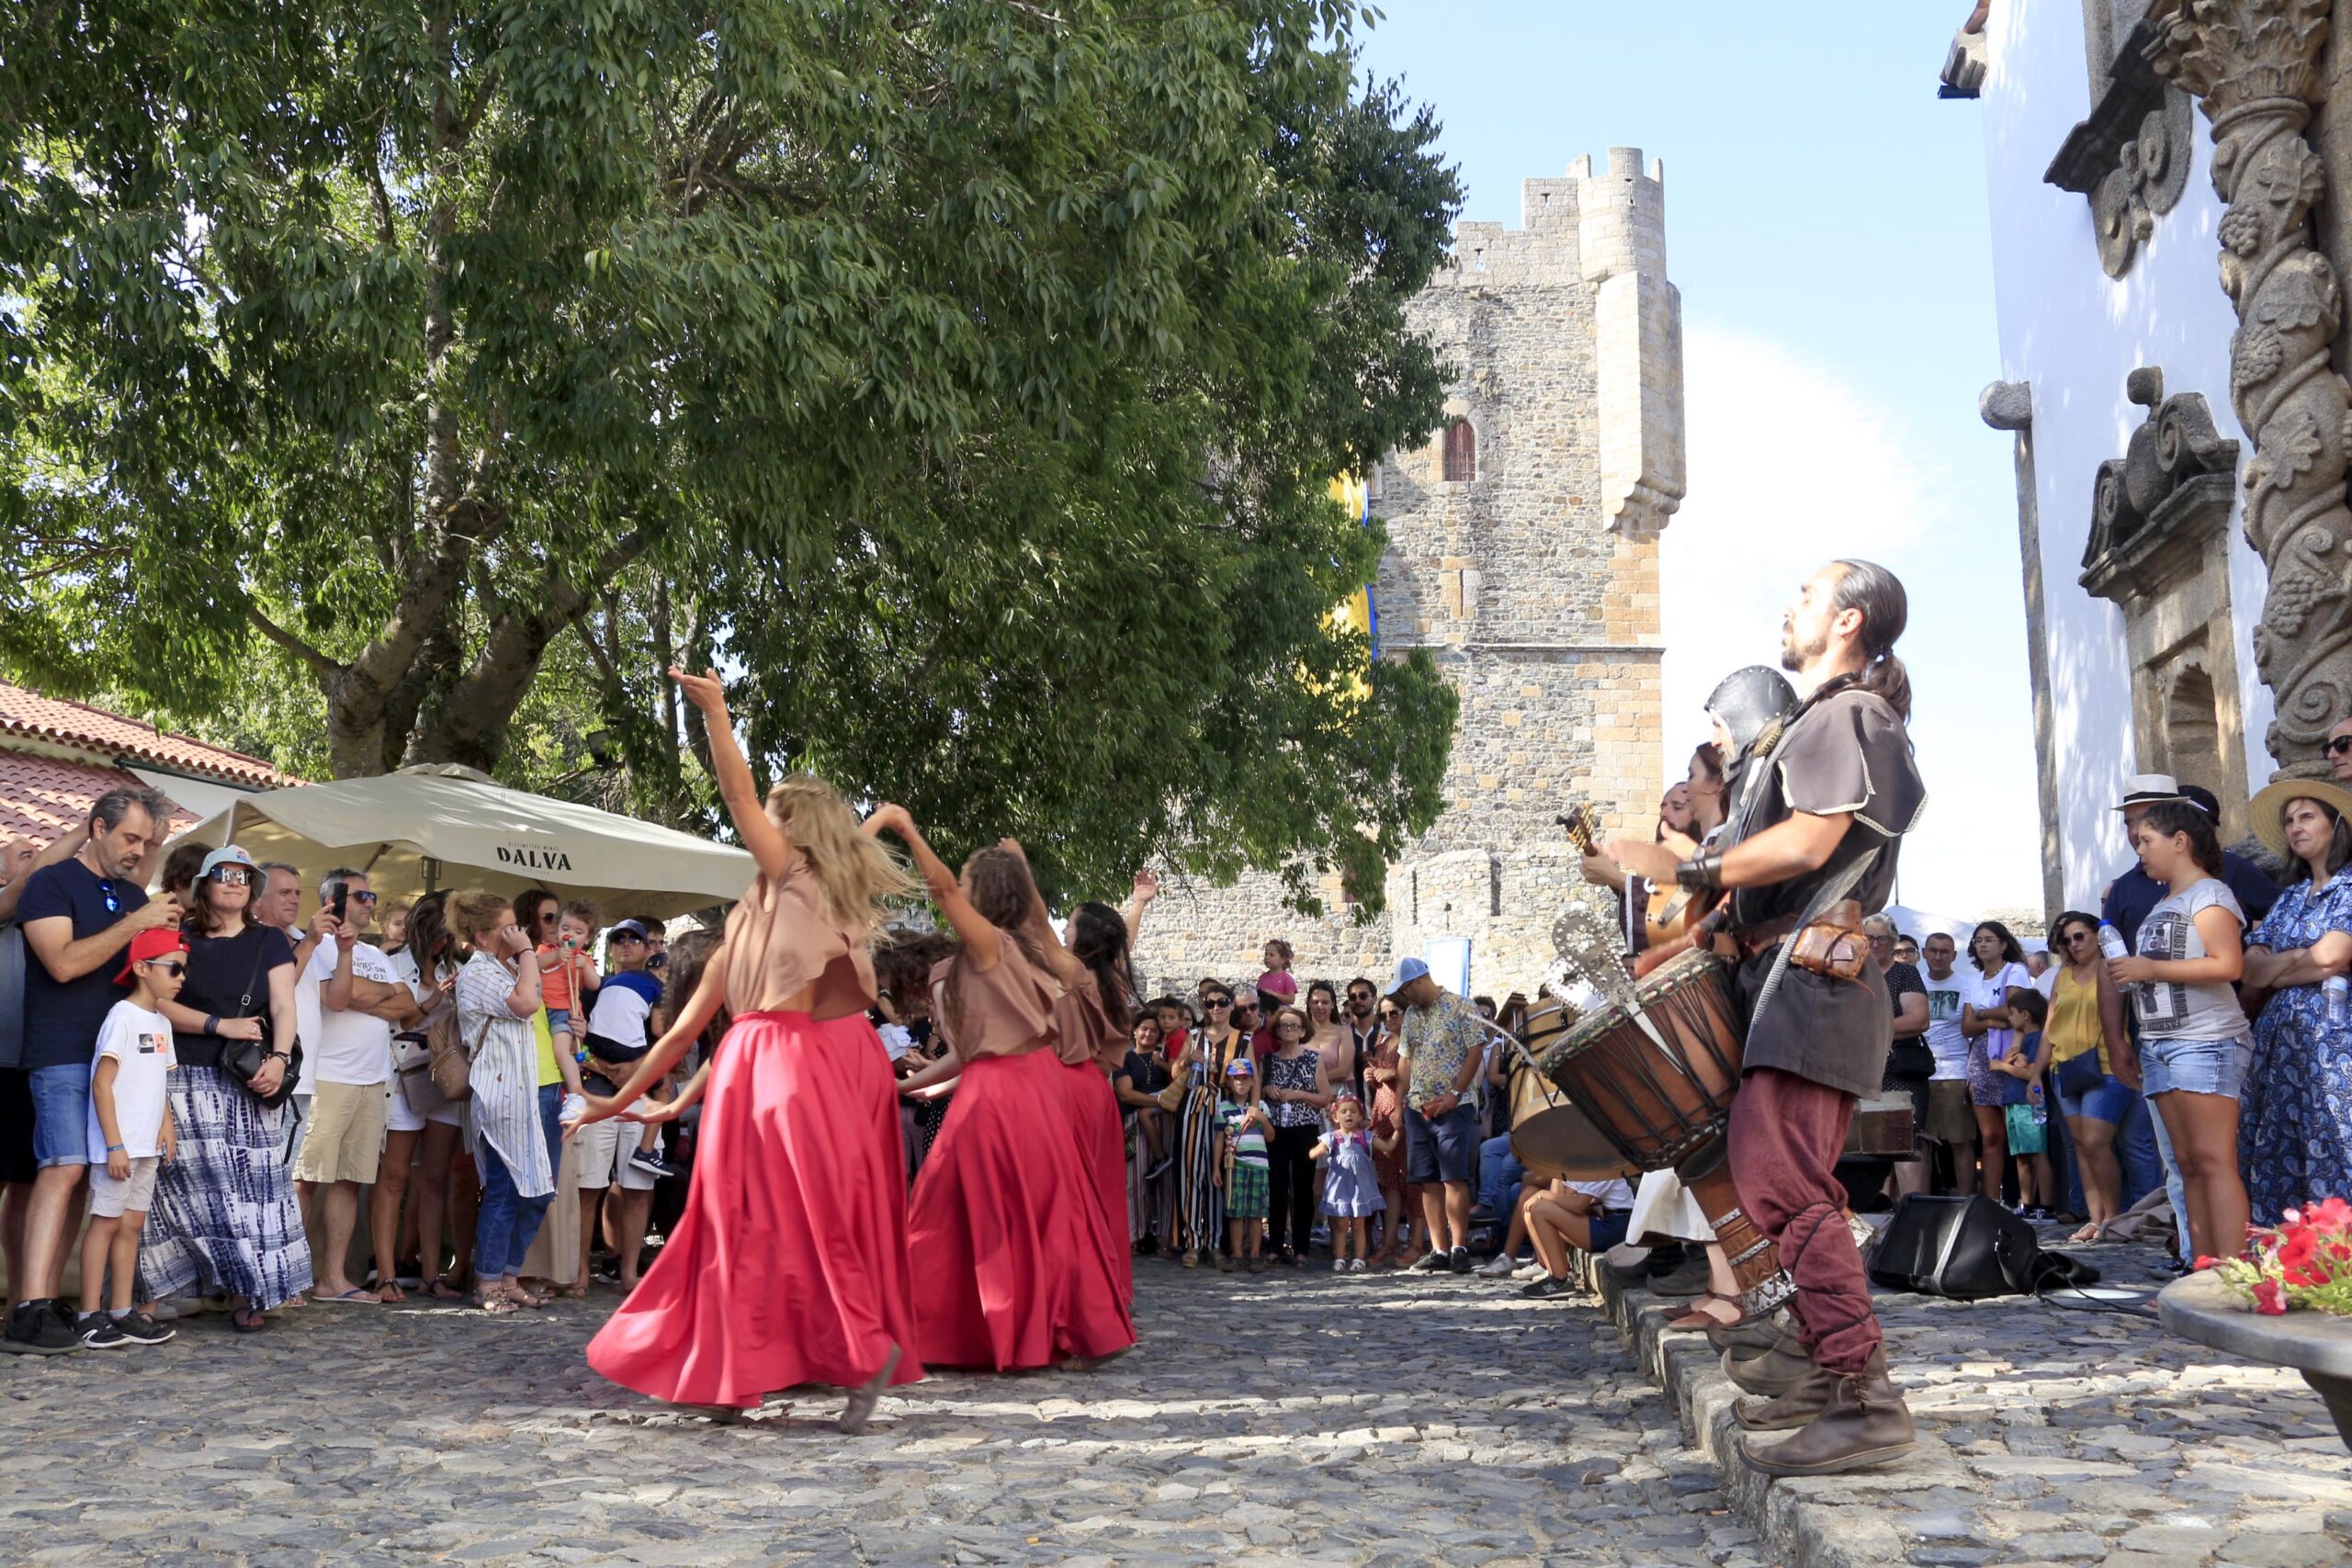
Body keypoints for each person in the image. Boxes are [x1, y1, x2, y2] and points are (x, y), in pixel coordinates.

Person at [1606, 559, 1925, 1475]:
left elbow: (1813, 840)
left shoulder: (1849, 717)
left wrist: (1685, 872)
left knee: (1784, 1186)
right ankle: (1821, 1378)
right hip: (1783, 979)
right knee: (1771, 1182)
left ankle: (1863, 1398)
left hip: (1816, 985)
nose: (1788, 606)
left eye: (1807, 596)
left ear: (1849, 621)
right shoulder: (1818, 723)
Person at [582, 670, 919, 1429]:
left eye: (772, 817)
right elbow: (681, 1025)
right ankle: (735, 1371)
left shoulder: (793, 881)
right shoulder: (768, 907)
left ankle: (852, 1352)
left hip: (777, 1068)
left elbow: (737, 795)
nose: (755, 822)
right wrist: (628, 1098)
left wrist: (718, 717)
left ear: (792, 831)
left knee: (764, 1221)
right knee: (745, 1223)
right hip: (754, 1065)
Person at [879, 807, 1134, 1370]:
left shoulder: (992, 944)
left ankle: (974, 1331)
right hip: (1023, 1083)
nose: (958, 889)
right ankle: (993, 1331)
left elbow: (941, 889)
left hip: (1004, 1091)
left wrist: (908, 830)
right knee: (1022, 1209)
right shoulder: (1027, 949)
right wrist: (912, 1084)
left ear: (983, 893)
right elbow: (968, 1052)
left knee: (963, 1204)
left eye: (969, 882)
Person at [3, 788, 179, 1356]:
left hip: (119, 1061)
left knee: (88, 1176)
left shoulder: (130, 893)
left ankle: (54, 1301)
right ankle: (28, 1308)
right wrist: (138, 922)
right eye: (130, 838)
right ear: (97, 827)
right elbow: (62, 963)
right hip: (60, 1050)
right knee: (63, 1169)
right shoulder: (50, 883)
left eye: (148, 842)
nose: (138, 851)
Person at [141, 844, 309, 1334]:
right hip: (182, 1075)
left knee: (247, 1191)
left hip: (247, 1080)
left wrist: (279, 1059)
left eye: (242, 876)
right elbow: (158, 1002)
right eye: (223, 875)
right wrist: (220, 1025)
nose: (234, 882)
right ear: (204, 885)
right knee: (172, 1189)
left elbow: (283, 1006)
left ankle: (249, 1292)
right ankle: (149, 1299)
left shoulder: (270, 941)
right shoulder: (179, 937)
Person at [2106, 799, 2253, 1268]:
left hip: (2205, 1040)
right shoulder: (2163, 902)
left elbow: (2229, 964)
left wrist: (2151, 967)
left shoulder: (2208, 894)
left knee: (2212, 1162)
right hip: (2160, 1045)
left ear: (2180, 841)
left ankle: (2230, 1274)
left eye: (2145, 841)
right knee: (2186, 1165)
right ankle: (2200, 1269)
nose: (2140, 851)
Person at [292, 868, 413, 1303]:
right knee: (305, 1179)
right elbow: (340, 999)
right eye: (362, 895)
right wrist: (373, 995)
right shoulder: (316, 946)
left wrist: (368, 993)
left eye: (372, 895)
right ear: (334, 899)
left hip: (371, 1077)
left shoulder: (376, 953)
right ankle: (289, 1278)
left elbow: (409, 1006)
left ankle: (332, 1279)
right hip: (327, 1077)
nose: (370, 902)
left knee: (348, 1182)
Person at [2238, 779, 2352, 1228]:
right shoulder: (2287, 898)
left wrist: (2280, 966)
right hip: (2280, 1047)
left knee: (2336, 1145)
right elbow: (2250, 971)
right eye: (2289, 820)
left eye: (2307, 817)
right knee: (2278, 1150)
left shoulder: (2349, 889)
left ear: (2335, 824)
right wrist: (2304, 960)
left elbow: (2334, 956)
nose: (2295, 828)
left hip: (2336, 1046)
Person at [75, 928, 187, 1348]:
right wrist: (114, 1145)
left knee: (133, 1224)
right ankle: (90, 1314)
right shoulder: (121, 1016)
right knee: (104, 1224)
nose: (180, 978)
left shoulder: (162, 1021)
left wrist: (166, 1125)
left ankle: (122, 1310)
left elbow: (160, 1080)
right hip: (119, 1146)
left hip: (147, 1146)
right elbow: (102, 1084)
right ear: (142, 968)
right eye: (173, 968)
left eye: (183, 970)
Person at [447, 889, 554, 1313]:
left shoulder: (498, 967)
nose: (518, 933)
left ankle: (508, 1275)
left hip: (523, 1094)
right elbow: (527, 1003)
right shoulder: (478, 973)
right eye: (508, 928)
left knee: (537, 1191)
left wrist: (529, 956)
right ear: (483, 934)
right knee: (505, 1191)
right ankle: (489, 1281)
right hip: (500, 1093)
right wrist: (528, 951)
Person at [575, 919, 666, 1292]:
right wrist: (606, 1069)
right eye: (619, 939)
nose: (626, 944)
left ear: (649, 949)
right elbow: (571, 1042)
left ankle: (629, 1273)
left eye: (635, 939)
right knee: (588, 1186)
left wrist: (635, 1070)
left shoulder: (660, 989)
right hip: (597, 1089)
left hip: (643, 1097)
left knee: (638, 1187)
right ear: (610, 949)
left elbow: (670, 1042)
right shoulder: (591, 989)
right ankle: (580, 1271)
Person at [1386, 956, 1487, 1276]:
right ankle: (1438, 1248)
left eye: (1404, 990)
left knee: (1453, 1176)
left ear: (1417, 982)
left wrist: (1455, 1094)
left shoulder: (1461, 1005)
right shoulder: (1413, 1015)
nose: (1403, 997)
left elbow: (1476, 1049)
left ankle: (1459, 1247)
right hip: (1418, 1108)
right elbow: (1406, 1060)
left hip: (1454, 1107)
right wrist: (1400, 1103)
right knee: (1427, 1180)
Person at [2039, 911, 2136, 1236]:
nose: (2073, 944)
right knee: (2081, 1145)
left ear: (2097, 935)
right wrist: (2035, 1073)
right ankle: (2096, 1218)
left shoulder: (2113, 968)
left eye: (2079, 936)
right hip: (2064, 1068)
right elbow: (2048, 1028)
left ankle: (2113, 1217)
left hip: (2108, 1065)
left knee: (2097, 1142)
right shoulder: (2062, 976)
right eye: (2067, 940)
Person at [1169, 983, 1252, 1267]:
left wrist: (1250, 1110)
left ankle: (1216, 1242)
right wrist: (1186, 1061)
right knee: (1191, 1172)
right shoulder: (1193, 1035)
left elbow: (1254, 1077)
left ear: (1231, 1005)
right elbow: (1175, 1071)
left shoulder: (1244, 1040)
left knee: (1219, 1176)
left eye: (1222, 1002)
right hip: (1194, 1106)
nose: (1216, 1008)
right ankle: (1192, 1241)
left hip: (1226, 1108)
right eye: (1210, 1003)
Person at [1958, 923, 2034, 1204]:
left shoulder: (2014, 971)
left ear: (2003, 944)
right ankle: (1991, 1200)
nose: (1983, 945)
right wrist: (1992, 1019)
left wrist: (1983, 1015)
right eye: (1978, 940)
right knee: (1990, 1136)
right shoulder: (1972, 981)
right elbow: (1967, 1026)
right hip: (1981, 1056)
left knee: (2016, 1132)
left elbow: (2015, 1012)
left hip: (2010, 1052)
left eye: (1989, 940)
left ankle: (2021, 1198)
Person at [1261, 1003, 1331, 1267]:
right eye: (1284, 1025)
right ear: (1277, 1030)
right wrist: (1267, 1089)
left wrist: (1298, 1094)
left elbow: (1325, 1098)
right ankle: (1275, 1245)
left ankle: (1302, 1248)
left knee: (1303, 1188)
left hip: (1304, 1129)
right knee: (1277, 1187)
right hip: (1275, 1129)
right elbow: (1257, 1092)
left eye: (1294, 1025)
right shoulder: (1268, 1060)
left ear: (1303, 1030)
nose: (1289, 1030)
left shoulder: (1313, 1058)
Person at [1868, 915, 1931, 1198]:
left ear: (1892, 941)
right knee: (1868, 1147)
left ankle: (1915, 1218)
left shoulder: (1904, 973)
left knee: (1905, 1144)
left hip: (1898, 1071)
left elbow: (1918, 1019)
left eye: (1881, 938)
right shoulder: (1851, 973)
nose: (1875, 944)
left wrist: (1870, 1028)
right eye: (1869, 938)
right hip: (1861, 1071)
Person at [1518, 1174, 1636, 1300]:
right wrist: (1557, 1172)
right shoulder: (1581, 1166)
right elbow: (1561, 1199)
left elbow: (1577, 1205)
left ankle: (1560, 1280)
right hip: (1608, 1221)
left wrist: (1543, 1194)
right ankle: (1558, 1274)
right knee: (1531, 1211)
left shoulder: (1601, 1166)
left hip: (1618, 1227)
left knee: (1540, 1209)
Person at [1917, 933, 1974, 1191]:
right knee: (1922, 1142)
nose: (1938, 956)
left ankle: (1965, 1202)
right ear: (1924, 953)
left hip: (1954, 1071)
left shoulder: (1966, 985)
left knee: (1960, 1141)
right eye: (1933, 951)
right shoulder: (1914, 984)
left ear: (1954, 955)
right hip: (1920, 1072)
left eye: (1944, 951)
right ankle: (1922, 1200)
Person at [1114, 1016, 1173, 1254]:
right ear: (1135, 1031)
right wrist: (1161, 1100)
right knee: (1134, 1180)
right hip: (1134, 1124)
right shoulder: (1125, 1059)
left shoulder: (1166, 1059)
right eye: (1143, 1029)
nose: (1148, 1034)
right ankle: (1133, 1235)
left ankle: (1164, 1236)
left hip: (1166, 1122)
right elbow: (1126, 1094)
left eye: (1154, 1030)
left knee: (1166, 1182)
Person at [1992, 988, 2052, 1216]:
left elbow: (2031, 1074)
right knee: (2021, 1155)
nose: (2009, 1018)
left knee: (2038, 1153)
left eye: (2012, 1013)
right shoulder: (2023, 1040)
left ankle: (2046, 1206)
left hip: (2030, 1103)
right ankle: (2026, 1204)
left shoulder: (2038, 1039)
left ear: (2025, 1015)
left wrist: (2002, 1066)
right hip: (2013, 1101)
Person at [1214, 1057, 1275, 1272]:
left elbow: (1271, 1137)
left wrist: (1262, 1119)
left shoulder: (1262, 1107)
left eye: (1245, 1078)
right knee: (1236, 1212)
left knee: (1257, 1213)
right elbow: (1220, 1138)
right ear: (1229, 1082)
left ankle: (1256, 1254)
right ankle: (1237, 1253)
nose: (1240, 1083)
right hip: (1235, 1166)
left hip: (1259, 1165)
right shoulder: (1223, 1107)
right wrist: (1216, 1168)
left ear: (1252, 1082)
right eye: (1235, 1079)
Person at [1314, 1091, 1382, 1272]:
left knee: (1359, 1223)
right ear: (1335, 1116)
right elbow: (1313, 1153)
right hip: (1340, 1188)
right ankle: (1339, 1257)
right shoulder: (1332, 1137)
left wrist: (1398, 1131)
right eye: (1344, 1112)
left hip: (1360, 1188)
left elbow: (1387, 1146)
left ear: (1360, 1116)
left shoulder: (1365, 1137)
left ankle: (1359, 1258)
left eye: (1353, 1111)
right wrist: (1318, 1151)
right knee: (1341, 1223)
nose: (1348, 1115)